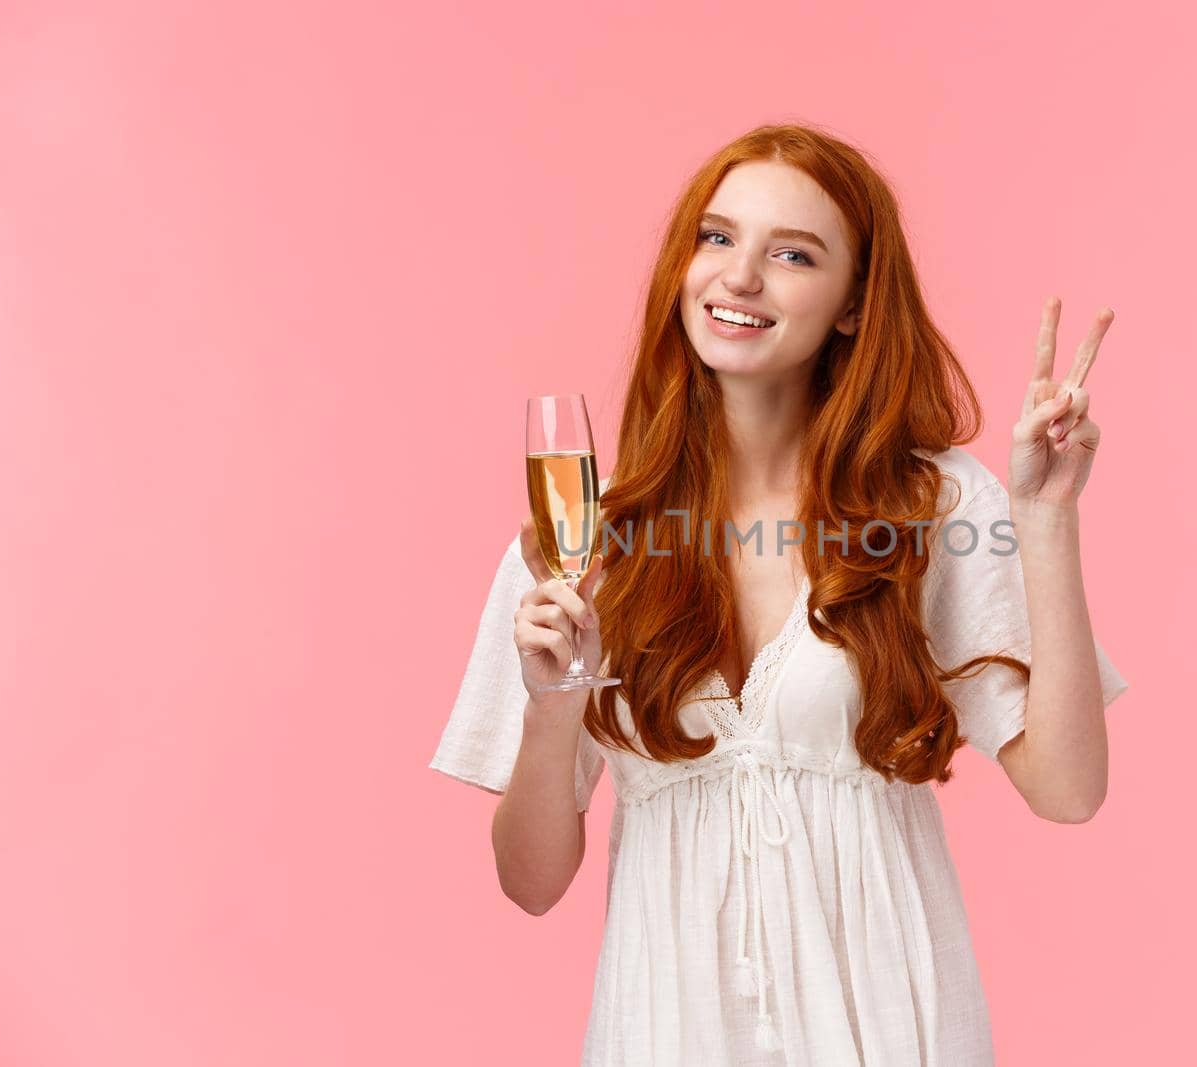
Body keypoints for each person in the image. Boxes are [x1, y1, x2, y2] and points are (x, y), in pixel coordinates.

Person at [430, 122, 1130, 1065]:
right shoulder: (582, 534)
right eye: (716, 239)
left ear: (852, 305)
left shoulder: (933, 502)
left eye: (792, 254)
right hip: (665, 1031)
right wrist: (552, 704)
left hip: (889, 1027)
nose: (739, 277)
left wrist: (1044, 521)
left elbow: (1069, 787)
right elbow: (531, 880)